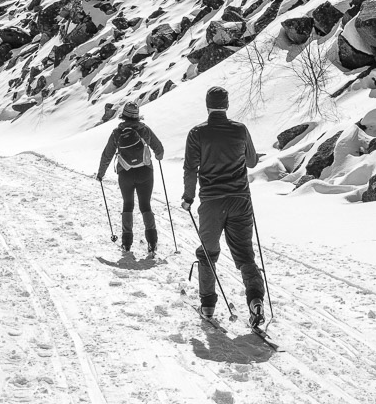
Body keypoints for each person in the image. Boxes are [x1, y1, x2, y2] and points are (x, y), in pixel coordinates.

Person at [181, 86, 266, 327]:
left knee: (208, 253)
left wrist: (188, 197)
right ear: (227, 106)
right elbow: (251, 161)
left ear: (207, 106)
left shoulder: (197, 133)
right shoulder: (240, 130)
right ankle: (256, 301)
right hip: (240, 201)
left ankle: (207, 306)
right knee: (245, 255)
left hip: (211, 203)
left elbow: (190, 168)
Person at [97, 101, 165, 255]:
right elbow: (159, 149)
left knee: (128, 205)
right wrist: (158, 156)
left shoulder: (116, 133)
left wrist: (101, 174)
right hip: (145, 172)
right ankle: (152, 243)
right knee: (145, 206)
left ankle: (126, 244)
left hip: (125, 173)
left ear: (124, 115)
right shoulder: (144, 130)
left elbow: (107, 154)